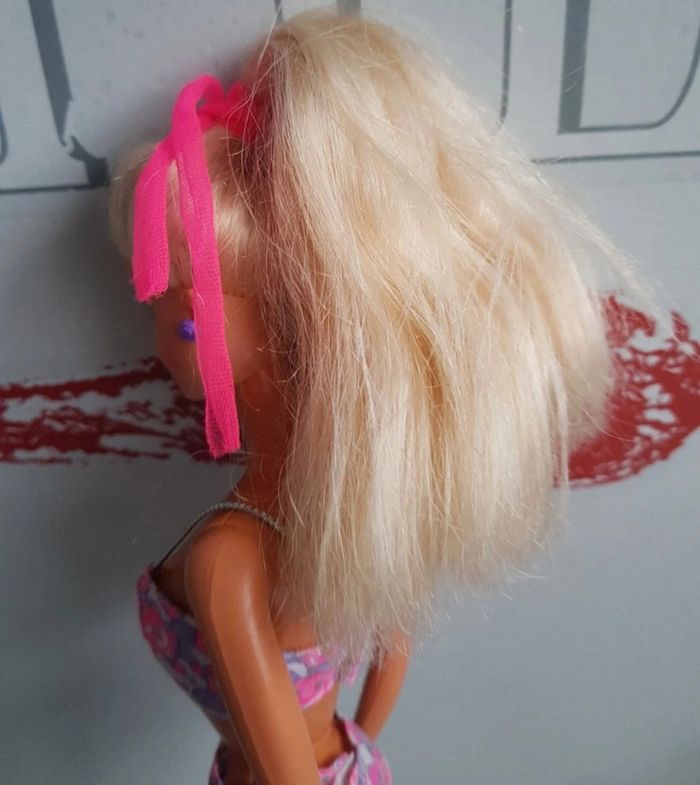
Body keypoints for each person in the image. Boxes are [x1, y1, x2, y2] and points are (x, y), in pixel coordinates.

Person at [108, 7, 645, 783]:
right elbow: (395, 642)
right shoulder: (359, 501)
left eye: (158, 310)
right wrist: (358, 746)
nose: (154, 341)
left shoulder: (232, 557)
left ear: (198, 324)